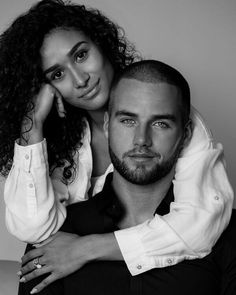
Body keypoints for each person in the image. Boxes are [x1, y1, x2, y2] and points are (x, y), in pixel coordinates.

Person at [0, 0, 233, 292]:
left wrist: (85, 249)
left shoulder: (169, 111)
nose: (80, 79)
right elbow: (32, 229)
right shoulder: (61, 138)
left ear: (102, 44)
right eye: (57, 74)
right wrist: (32, 127)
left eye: (81, 55)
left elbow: (200, 226)